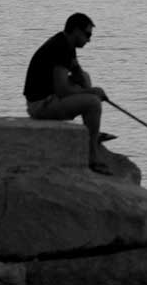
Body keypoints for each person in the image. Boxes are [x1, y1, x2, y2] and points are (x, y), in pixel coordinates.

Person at [23, 12, 112, 175]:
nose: (89, 40)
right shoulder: (60, 48)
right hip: (41, 105)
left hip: (49, 97)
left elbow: (77, 73)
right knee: (93, 103)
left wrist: (83, 82)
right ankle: (92, 156)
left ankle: (91, 133)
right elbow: (62, 90)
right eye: (87, 35)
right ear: (76, 31)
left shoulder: (66, 44)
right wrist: (92, 92)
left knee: (85, 77)